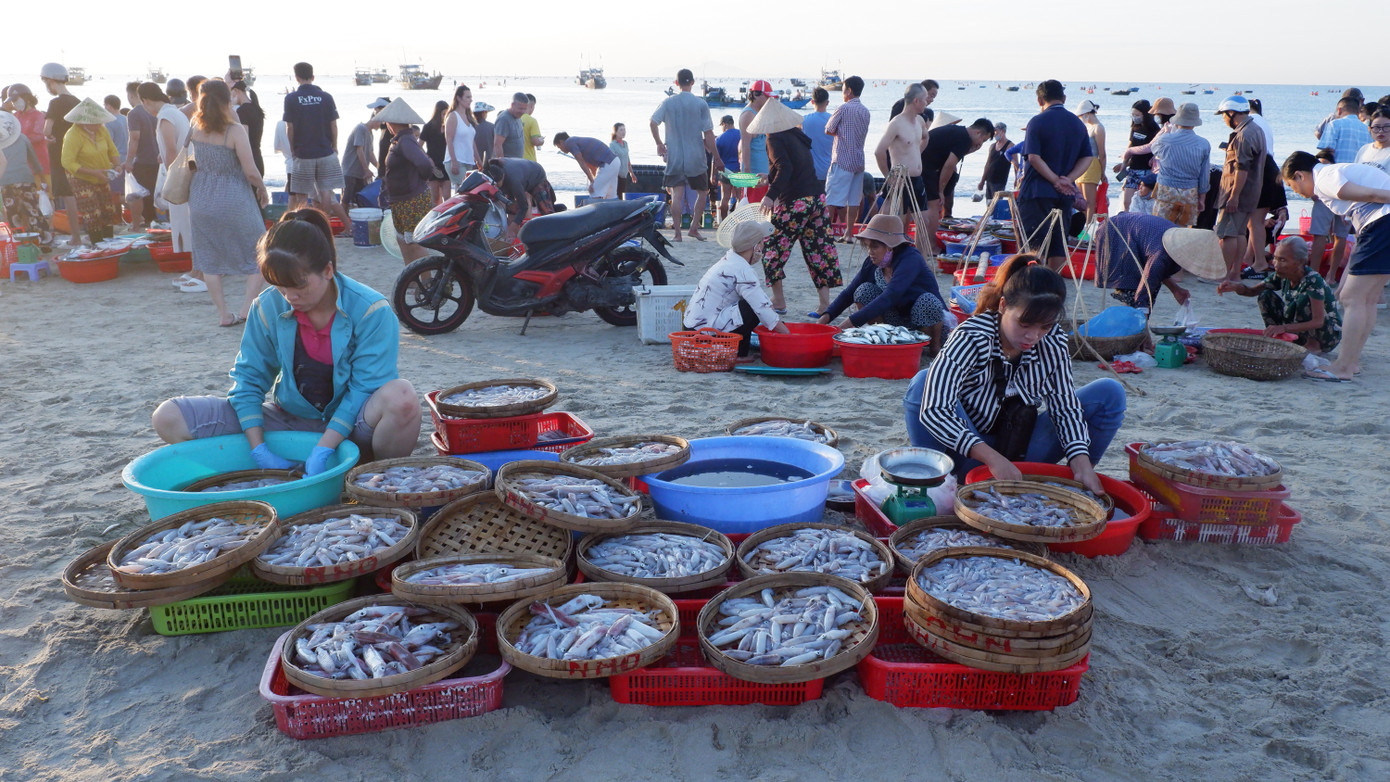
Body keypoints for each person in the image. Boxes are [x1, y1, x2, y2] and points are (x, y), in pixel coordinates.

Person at [151, 209, 420, 470]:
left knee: (402, 396)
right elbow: (249, 381)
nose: (290, 296)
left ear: (327, 270)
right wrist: (260, 450)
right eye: (279, 285)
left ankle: (368, 472)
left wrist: (324, 449)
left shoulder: (371, 310)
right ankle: (263, 465)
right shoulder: (266, 306)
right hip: (291, 422)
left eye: (299, 285)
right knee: (169, 417)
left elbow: (362, 389)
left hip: (356, 428)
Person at [903, 254, 1126, 488]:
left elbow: (1065, 407)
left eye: (1045, 326)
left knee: (1109, 392)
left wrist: (1081, 463)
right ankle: (935, 483)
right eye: (1024, 324)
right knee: (923, 382)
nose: (1033, 336)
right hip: (966, 455)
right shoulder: (971, 336)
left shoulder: (1053, 341)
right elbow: (935, 409)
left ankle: (1080, 479)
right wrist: (992, 458)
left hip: (1020, 452)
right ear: (1003, 306)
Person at [1282, 151, 1390, 381]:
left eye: (1293, 185)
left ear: (1300, 175)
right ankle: (1351, 362)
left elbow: (1372, 193)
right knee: (1366, 298)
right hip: (1380, 225)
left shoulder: (1324, 178)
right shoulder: (1334, 173)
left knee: (1353, 299)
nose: (1297, 192)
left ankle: (1344, 367)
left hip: (1382, 223)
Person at [187, 80, 270, 327]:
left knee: (209, 258)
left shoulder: (194, 126)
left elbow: (189, 161)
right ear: (227, 100)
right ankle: (245, 309)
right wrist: (262, 189)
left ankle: (224, 314)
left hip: (200, 197)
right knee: (259, 252)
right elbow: (251, 171)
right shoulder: (234, 130)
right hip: (233, 197)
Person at [751, 98, 841, 315]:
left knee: (772, 247)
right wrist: (769, 177)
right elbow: (792, 168)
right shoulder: (796, 135)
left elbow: (785, 167)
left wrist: (770, 196)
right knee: (818, 249)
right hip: (817, 199)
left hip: (795, 202)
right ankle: (824, 305)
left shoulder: (773, 138)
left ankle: (779, 301)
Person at [816, 214, 945, 348]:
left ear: (890, 247)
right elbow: (849, 293)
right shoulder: (872, 263)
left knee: (928, 301)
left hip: (924, 319)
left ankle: (934, 348)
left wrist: (846, 325)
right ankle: (886, 342)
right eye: (868, 246)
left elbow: (891, 296)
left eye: (875, 247)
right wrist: (823, 320)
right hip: (897, 318)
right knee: (863, 291)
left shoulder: (910, 259)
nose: (870, 251)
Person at [684, 219, 789, 359]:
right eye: (762, 243)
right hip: (705, 333)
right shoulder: (742, 269)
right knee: (751, 308)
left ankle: (740, 351)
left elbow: (763, 302)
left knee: (749, 305)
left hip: (693, 328)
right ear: (756, 247)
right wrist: (789, 336)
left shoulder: (729, 259)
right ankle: (738, 355)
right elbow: (762, 308)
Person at [1218, 236, 1341, 354]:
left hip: (1326, 335)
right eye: (1275, 258)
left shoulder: (1313, 281)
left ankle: (1313, 345)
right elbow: (1252, 291)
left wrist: (1284, 328)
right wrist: (1236, 287)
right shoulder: (1281, 275)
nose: (1276, 264)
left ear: (1300, 262)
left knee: (1304, 299)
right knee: (1265, 295)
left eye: (1283, 260)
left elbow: (1318, 321)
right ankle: (1280, 337)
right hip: (1297, 327)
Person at [1017, 80, 1092, 271]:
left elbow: (1034, 157)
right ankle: (1053, 281)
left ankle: (1033, 282)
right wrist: (1068, 179)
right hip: (1065, 193)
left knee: (1033, 242)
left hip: (1037, 191)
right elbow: (1087, 158)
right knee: (1058, 241)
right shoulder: (1078, 123)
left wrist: (1055, 180)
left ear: (1039, 100)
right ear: (1064, 98)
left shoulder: (1037, 121)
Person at [1096, 212, 1227, 312]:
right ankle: (1134, 335)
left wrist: (1175, 289)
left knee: (1148, 294)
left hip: (1138, 234)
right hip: (1117, 232)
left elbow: (1157, 270)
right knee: (1133, 292)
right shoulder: (1161, 252)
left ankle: (1138, 334)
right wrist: (1142, 312)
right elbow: (1147, 282)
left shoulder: (1175, 241)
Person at [649, 68, 721, 242]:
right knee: (702, 192)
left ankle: (677, 234)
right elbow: (709, 133)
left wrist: (659, 143)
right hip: (695, 156)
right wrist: (717, 157)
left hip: (675, 156)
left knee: (676, 195)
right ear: (693, 82)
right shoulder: (701, 104)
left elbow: (653, 122)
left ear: (676, 83)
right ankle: (694, 228)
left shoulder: (668, 102)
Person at [1312, 97, 1372, 286]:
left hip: (1331, 183)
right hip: (1353, 189)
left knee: (1320, 233)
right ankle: (1331, 276)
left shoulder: (1335, 124)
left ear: (1339, 109)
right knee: (1341, 234)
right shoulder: (1366, 130)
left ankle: (1313, 275)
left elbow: (1325, 154)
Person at [283, 62, 350, 231]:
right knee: (326, 190)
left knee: (301, 194)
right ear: (313, 77)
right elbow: (333, 125)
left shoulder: (290, 99)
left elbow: (289, 128)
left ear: (296, 77)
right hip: (324, 151)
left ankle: (305, 226)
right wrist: (334, 145)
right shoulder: (326, 97)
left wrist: (292, 148)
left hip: (303, 152)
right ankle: (323, 224)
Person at [140, 82, 195, 270]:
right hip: (189, 171)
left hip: (181, 176)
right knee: (189, 222)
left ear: (145, 101)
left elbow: (172, 151)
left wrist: (172, 180)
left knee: (183, 223)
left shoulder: (165, 116)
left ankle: (194, 269)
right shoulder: (176, 112)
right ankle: (195, 268)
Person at [919, 117, 994, 253]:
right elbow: (949, 165)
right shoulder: (964, 139)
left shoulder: (959, 132)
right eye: (983, 140)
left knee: (929, 206)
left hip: (922, 163)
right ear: (978, 132)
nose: (981, 144)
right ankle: (930, 246)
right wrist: (940, 190)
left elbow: (947, 154)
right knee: (934, 205)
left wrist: (970, 151)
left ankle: (927, 244)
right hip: (925, 167)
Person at [1213, 96, 1265, 281]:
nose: (1223, 119)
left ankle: (1223, 274)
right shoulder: (1256, 129)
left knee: (1227, 233)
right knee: (1240, 232)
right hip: (1251, 191)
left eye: (1223, 115)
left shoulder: (1243, 135)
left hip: (1238, 191)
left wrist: (1233, 196)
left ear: (1231, 113)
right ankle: (1234, 273)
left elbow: (1241, 169)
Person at [375, 99, 433, 263]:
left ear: (391, 123)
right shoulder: (401, 140)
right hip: (402, 199)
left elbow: (424, 164)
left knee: (413, 242)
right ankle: (412, 278)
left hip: (411, 199)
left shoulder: (405, 141)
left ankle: (425, 280)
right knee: (403, 240)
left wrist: (419, 182)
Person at [59, 98, 122, 243]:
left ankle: (109, 242)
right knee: (92, 212)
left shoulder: (102, 131)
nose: (100, 124)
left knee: (108, 209)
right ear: (84, 122)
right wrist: (94, 172)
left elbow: (112, 150)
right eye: (96, 122)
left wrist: (117, 165)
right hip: (81, 178)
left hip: (102, 175)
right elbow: (67, 162)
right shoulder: (72, 135)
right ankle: (97, 243)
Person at [873, 84, 930, 239]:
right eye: (925, 100)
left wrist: (917, 153)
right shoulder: (896, 123)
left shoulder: (919, 121)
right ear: (916, 101)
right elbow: (879, 152)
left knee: (924, 221)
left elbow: (925, 137)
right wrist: (888, 177)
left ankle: (920, 259)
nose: (927, 103)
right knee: (897, 222)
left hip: (917, 178)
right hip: (900, 179)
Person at [824, 75, 871, 242]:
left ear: (849, 91)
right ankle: (849, 233)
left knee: (832, 197)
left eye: (844, 89)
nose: (843, 93)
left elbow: (829, 129)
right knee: (853, 199)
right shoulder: (865, 111)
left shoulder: (843, 108)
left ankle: (826, 234)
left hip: (842, 158)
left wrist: (841, 133)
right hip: (858, 159)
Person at [1149, 102, 1210, 228]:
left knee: (1160, 228)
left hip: (1166, 189)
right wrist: (1202, 198)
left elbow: (1154, 149)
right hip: (1189, 192)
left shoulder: (1165, 140)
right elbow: (1204, 175)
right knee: (1181, 232)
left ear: (1177, 121)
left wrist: (1167, 132)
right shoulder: (1204, 144)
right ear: (1194, 123)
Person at [40, 63, 81, 246]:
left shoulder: (55, 103)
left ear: (50, 81)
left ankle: (76, 237)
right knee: (78, 194)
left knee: (67, 195)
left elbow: (47, 130)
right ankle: (80, 234)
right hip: (77, 153)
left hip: (59, 154)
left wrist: (48, 137)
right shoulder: (77, 102)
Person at [0, 110, 52, 246]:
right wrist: (42, 177)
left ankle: (21, 244)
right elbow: (34, 161)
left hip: (5, 182)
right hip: (25, 179)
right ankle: (44, 241)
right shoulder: (23, 138)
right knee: (33, 211)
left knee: (13, 215)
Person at [484, 157, 556, 239]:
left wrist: (513, 226)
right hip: (519, 173)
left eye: (498, 186)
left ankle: (554, 235)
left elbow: (523, 206)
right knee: (511, 209)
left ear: (503, 177)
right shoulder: (489, 170)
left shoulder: (514, 182)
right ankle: (513, 240)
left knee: (546, 212)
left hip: (537, 175)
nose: (496, 188)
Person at [119, 81, 158, 231]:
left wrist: (128, 161)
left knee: (138, 195)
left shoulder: (134, 113)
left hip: (143, 160)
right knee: (155, 196)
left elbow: (134, 138)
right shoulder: (154, 111)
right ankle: (154, 224)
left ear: (130, 96)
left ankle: (139, 225)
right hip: (158, 159)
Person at [1114, 100, 1160, 211]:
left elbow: (1154, 150)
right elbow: (1130, 147)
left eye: (1137, 115)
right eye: (1133, 115)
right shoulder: (1135, 127)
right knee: (1127, 202)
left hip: (1147, 171)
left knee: (1144, 204)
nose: (1135, 117)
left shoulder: (1155, 129)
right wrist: (1124, 164)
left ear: (1145, 114)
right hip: (1133, 169)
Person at [552, 131, 619, 200]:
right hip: (615, 161)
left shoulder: (569, 142)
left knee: (594, 192)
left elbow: (582, 163)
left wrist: (593, 182)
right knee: (610, 195)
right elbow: (592, 168)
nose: (561, 150)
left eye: (559, 147)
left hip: (608, 163)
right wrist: (593, 181)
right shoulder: (578, 143)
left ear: (561, 142)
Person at [3, 84, 51, 178]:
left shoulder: (38, 115)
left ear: (27, 99)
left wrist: (16, 139)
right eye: (12, 101)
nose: (14, 103)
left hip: (39, 162)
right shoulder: (16, 115)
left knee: (43, 191)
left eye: (15, 100)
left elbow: (38, 136)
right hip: (22, 164)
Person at [738, 80, 775, 199]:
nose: (769, 100)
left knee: (763, 212)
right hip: (754, 175)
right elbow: (745, 145)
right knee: (753, 210)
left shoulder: (761, 112)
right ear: (756, 95)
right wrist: (747, 173)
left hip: (764, 172)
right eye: (767, 96)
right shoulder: (748, 115)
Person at [340, 104, 381, 210]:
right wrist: (366, 170)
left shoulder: (370, 133)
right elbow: (359, 149)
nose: (381, 126)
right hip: (350, 170)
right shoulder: (360, 128)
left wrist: (378, 168)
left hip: (360, 173)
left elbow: (370, 153)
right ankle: (344, 223)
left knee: (359, 198)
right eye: (381, 123)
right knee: (346, 198)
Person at [1074, 100, 1106, 228]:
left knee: (1089, 201)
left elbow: (1102, 153)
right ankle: (1082, 226)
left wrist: (1102, 172)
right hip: (1082, 163)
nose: (1081, 118)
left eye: (1082, 115)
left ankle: (1088, 228)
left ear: (1088, 113)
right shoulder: (1088, 127)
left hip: (1092, 164)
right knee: (1080, 201)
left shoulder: (1098, 128)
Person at [443, 85, 478, 191]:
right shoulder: (453, 116)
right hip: (456, 160)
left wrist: (479, 160)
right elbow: (449, 139)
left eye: (471, 97)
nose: (470, 100)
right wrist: (454, 161)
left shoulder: (468, 117)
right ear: (458, 98)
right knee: (462, 190)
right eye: (467, 97)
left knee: (468, 190)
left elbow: (472, 142)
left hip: (468, 160)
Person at [418, 100, 450, 204]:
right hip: (433, 164)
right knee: (435, 197)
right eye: (443, 114)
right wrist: (427, 158)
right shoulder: (428, 127)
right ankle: (434, 217)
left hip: (446, 163)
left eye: (447, 114)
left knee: (447, 196)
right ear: (438, 113)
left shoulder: (449, 127)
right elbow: (419, 146)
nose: (445, 116)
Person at [801, 88, 832, 193]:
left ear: (812, 101)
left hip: (810, 171)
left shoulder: (803, 120)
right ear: (827, 103)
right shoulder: (833, 120)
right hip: (830, 171)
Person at [232, 80, 266, 176]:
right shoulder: (256, 108)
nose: (231, 99)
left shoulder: (242, 111)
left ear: (237, 91)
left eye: (232, 95)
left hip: (249, 161)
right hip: (258, 158)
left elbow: (244, 139)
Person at [714, 114, 741, 220]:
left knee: (725, 197)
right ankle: (739, 221)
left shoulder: (720, 138)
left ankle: (724, 221)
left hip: (725, 171)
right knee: (739, 196)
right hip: (739, 170)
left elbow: (715, 159)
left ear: (724, 124)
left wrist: (713, 175)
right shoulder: (741, 135)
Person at [103, 95, 128, 200]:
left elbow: (108, 144)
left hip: (117, 161)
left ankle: (119, 216)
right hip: (130, 159)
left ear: (109, 106)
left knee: (116, 194)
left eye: (104, 105)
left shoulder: (109, 122)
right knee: (127, 191)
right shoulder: (126, 119)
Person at [978, 122, 1012, 200]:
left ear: (1003, 131)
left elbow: (1015, 164)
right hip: (989, 180)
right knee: (989, 204)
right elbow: (987, 164)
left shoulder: (1010, 146)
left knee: (997, 204)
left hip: (1000, 181)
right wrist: (982, 181)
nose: (994, 134)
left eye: (996, 131)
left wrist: (1017, 179)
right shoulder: (992, 146)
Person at [493, 93, 528, 159]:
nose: (522, 111)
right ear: (512, 105)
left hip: (517, 162)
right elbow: (497, 144)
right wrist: (502, 163)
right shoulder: (504, 119)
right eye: (520, 108)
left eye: (524, 109)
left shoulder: (518, 117)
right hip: (508, 164)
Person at [1356, 110, 1390, 175]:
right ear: (1369, 129)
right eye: (1376, 127)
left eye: (1386, 127)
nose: (1380, 131)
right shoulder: (1364, 149)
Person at [609, 123, 636, 198]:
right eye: (621, 130)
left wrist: (632, 173)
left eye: (624, 130)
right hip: (616, 175)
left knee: (622, 194)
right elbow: (611, 160)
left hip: (624, 174)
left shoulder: (625, 143)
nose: (623, 132)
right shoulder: (612, 145)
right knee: (617, 195)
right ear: (616, 132)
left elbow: (627, 159)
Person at [472, 101, 495, 168]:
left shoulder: (469, 127)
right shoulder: (491, 127)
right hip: (487, 164)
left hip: (471, 164)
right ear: (483, 113)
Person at [520, 94, 542, 162]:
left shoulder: (514, 118)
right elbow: (535, 141)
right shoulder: (532, 121)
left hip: (514, 159)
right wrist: (541, 141)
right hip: (529, 160)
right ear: (532, 106)